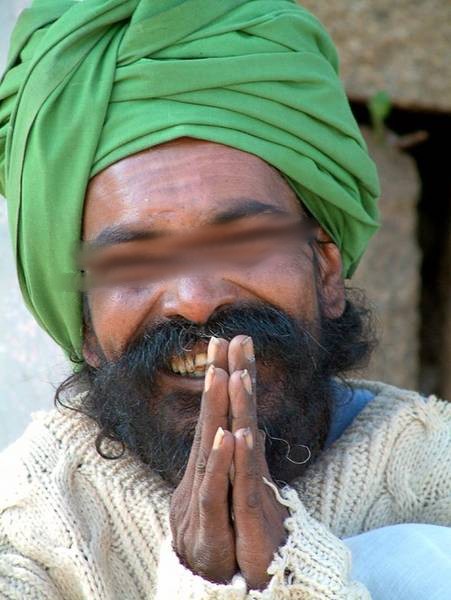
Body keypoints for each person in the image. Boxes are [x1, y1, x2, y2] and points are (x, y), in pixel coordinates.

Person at [0, 1, 450, 598]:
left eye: (242, 241)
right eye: (134, 261)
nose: (195, 300)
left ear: (325, 270)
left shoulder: (436, 476)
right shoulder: (25, 534)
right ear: (84, 325)